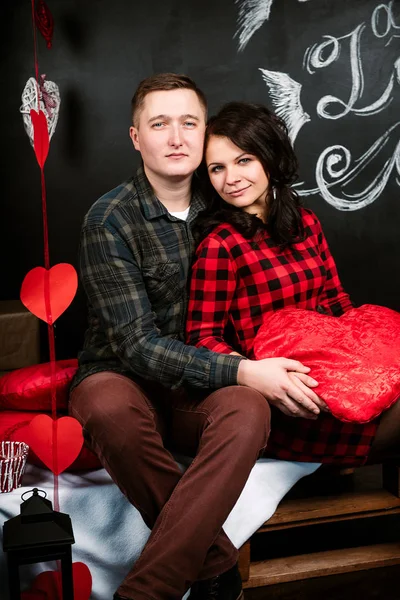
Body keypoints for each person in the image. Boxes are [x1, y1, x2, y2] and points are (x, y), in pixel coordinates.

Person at [69, 75, 325, 600]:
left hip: (197, 390)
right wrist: (242, 369)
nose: (177, 138)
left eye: (189, 123)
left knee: (249, 409)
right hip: (122, 376)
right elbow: (136, 346)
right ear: (137, 137)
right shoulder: (110, 219)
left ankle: (151, 586)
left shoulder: (230, 196)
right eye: (159, 124)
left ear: (205, 131)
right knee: (107, 406)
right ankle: (205, 565)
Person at [186, 100, 400, 468]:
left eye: (243, 160)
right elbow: (201, 339)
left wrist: (366, 360)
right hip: (287, 399)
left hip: (339, 374)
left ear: (270, 157)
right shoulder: (220, 246)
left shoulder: (306, 222)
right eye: (216, 168)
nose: (230, 178)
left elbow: (336, 302)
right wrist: (259, 377)